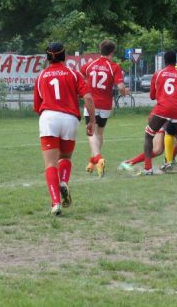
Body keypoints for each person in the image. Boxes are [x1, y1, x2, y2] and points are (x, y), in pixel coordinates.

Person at [34, 42, 96, 215]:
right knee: (65, 157)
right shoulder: (73, 74)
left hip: (48, 118)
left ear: (47, 57)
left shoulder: (41, 76)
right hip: (70, 119)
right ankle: (64, 182)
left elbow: (37, 106)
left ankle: (55, 203)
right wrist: (92, 121)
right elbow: (89, 98)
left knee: (50, 163)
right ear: (64, 55)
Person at [80, 40, 129, 177]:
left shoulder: (89, 65)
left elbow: (82, 77)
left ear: (100, 50)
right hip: (106, 105)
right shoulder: (114, 67)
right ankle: (92, 161)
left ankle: (98, 159)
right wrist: (126, 92)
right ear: (112, 52)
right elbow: (120, 88)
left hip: (91, 104)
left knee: (91, 133)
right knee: (99, 133)